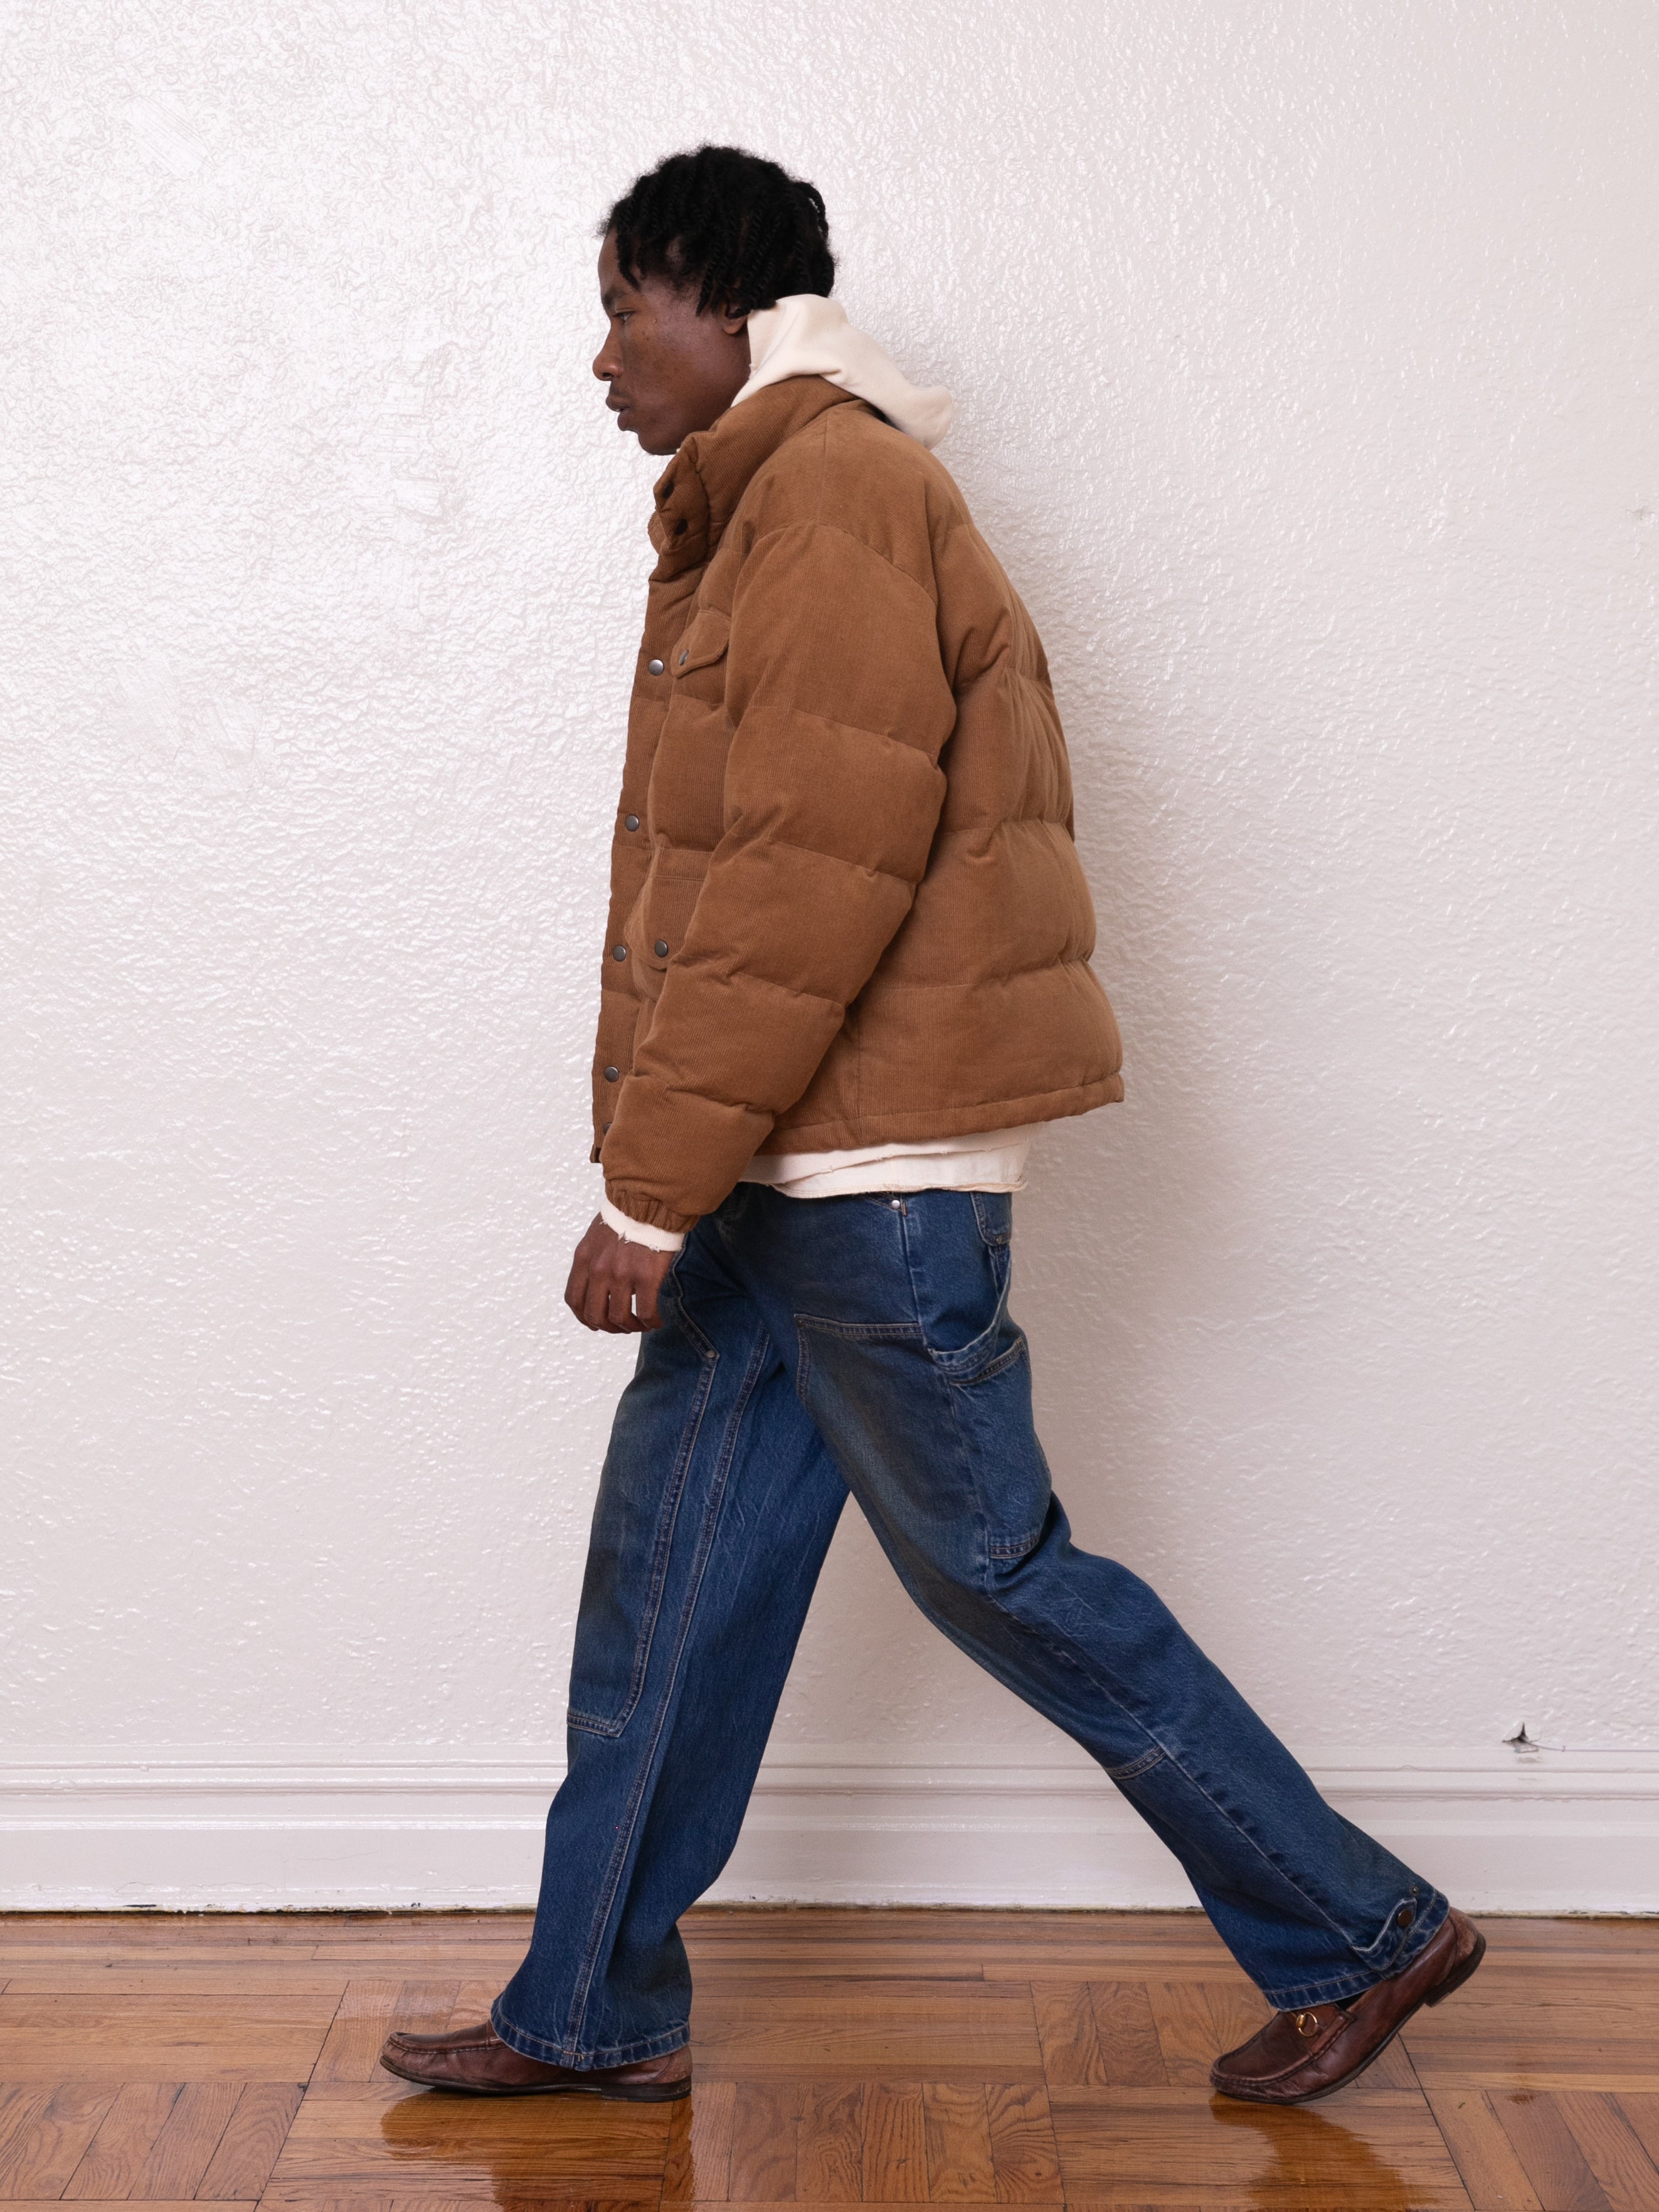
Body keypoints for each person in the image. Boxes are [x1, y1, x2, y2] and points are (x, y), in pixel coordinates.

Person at [379, 144, 1483, 2110]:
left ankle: (1362, 1929)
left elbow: (809, 873)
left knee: (999, 1571)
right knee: (675, 1589)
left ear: (721, 302)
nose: (605, 356)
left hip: (867, 1193)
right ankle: (590, 2006)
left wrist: (645, 1192)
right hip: (782, 1179)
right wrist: (686, 1179)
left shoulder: (835, 496)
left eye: (624, 308)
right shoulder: (780, 499)